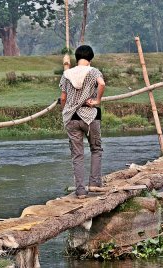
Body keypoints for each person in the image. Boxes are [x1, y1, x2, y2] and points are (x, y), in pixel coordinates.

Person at [59, 45, 106, 198]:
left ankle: (80, 191)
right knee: (96, 149)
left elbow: (64, 97)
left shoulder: (66, 74)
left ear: (77, 58)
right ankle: (94, 183)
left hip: (72, 117)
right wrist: (97, 100)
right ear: (90, 58)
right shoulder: (94, 71)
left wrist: (66, 110)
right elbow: (102, 84)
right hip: (90, 116)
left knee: (77, 155)